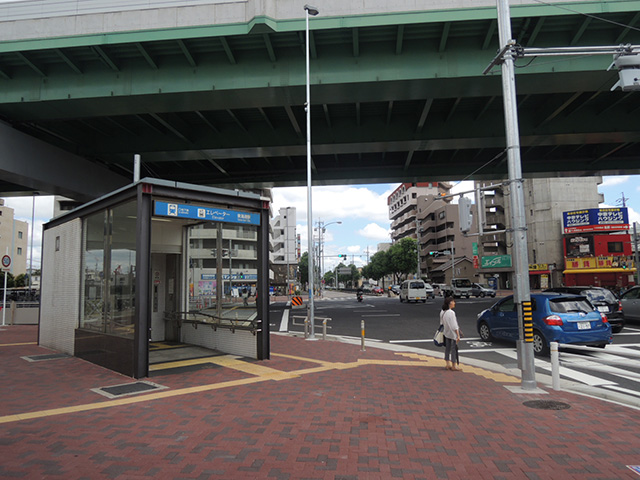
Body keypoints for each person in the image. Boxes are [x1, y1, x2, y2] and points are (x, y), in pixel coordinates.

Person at [440, 296, 462, 371]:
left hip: (446, 332)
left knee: (447, 348)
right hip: (452, 333)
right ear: (450, 303)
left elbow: (441, 323)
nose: (454, 303)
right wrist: (458, 335)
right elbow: (454, 325)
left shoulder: (442, 312)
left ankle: (447, 364)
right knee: (453, 349)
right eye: (453, 302)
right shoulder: (451, 313)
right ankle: (454, 365)